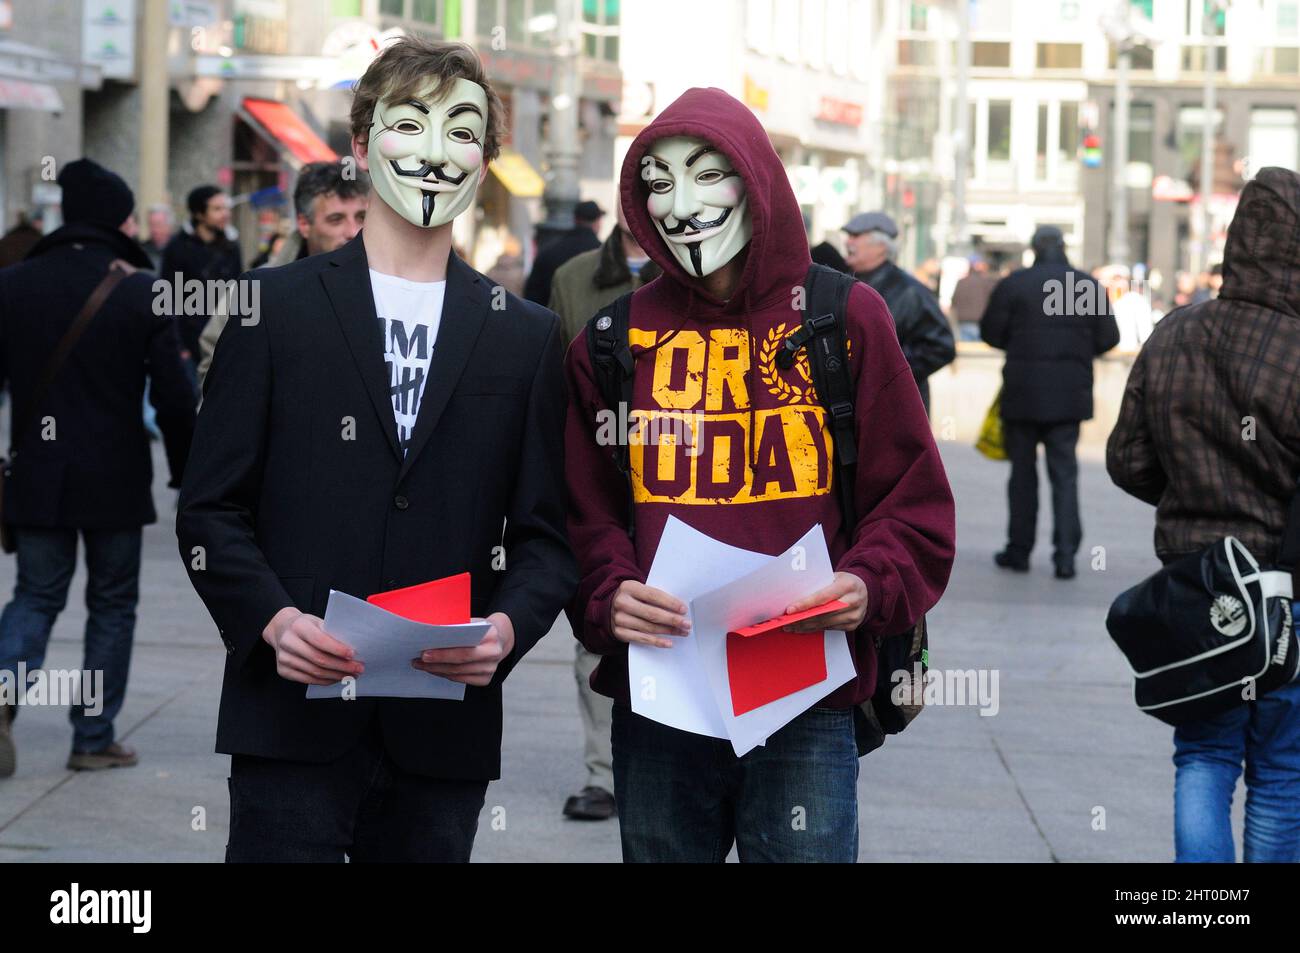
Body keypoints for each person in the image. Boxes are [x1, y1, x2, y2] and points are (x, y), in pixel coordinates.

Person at [176, 37, 575, 863]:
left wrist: (505, 628)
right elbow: (211, 508)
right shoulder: (272, 308)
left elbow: (547, 534)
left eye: (461, 132)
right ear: (360, 147)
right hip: (290, 721)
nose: (435, 153)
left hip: (442, 732)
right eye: (410, 124)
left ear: (487, 160)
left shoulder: (527, 336)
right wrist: (272, 619)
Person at [564, 87, 956, 862]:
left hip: (804, 694)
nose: (681, 203)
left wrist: (868, 583)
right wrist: (608, 590)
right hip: (662, 703)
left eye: (710, 174)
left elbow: (912, 501)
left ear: (758, 181)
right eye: (658, 182)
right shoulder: (612, 340)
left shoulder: (844, 317)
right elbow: (578, 510)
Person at [1107, 167, 1300, 863]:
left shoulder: (1175, 333)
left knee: (1204, 757)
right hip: (1288, 593)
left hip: (1200, 589)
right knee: (1281, 771)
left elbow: (1128, 459)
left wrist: (1192, 494)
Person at [0, 159, 195, 778]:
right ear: (118, 218)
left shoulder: (13, 284)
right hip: (114, 478)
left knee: (35, 594)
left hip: (35, 473)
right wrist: (186, 473)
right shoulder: (140, 290)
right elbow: (174, 395)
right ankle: (92, 737)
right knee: (112, 603)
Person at [547, 202, 660, 821]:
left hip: (686, 481)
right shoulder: (575, 276)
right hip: (604, 476)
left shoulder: (706, 274)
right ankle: (604, 775)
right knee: (601, 627)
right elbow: (556, 376)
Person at [980, 225, 1119, 579]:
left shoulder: (1015, 283)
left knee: (1022, 475)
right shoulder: (1085, 285)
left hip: (1022, 393)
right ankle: (1066, 556)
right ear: (1062, 247)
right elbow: (1109, 337)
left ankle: (1019, 550)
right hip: (1069, 397)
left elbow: (990, 332)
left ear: (1033, 248)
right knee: (1065, 475)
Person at [197, 160, 369, 388]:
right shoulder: (256, 291)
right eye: (336, 219)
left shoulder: (391, 285)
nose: (352, 232)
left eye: (361, 217)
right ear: (304, 224)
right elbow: (215, 375)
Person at [842, 212, 955, 413]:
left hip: (896, 408)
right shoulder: (844, 283)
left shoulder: (910, 291)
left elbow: (941, 346)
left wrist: (887, 371)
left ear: (881, 247)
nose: (848, 242)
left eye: (855, 236)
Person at [160, 185, 242, 382]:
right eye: (217, 209)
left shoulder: (232, 246)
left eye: (226, 208)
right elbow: (166, 299)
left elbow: (240, 293)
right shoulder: (177, 247)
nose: (225, 214)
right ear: (199, 214)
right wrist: (178, 347)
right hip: (187, 346)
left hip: (223, 342)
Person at [523, 199, 604, 306]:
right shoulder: (604, 254)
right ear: (597, 222)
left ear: (575, 219)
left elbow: (532, 296)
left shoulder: (550, 251)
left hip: (553, 317)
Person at [950, 254, 997, 341]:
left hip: (964, 322)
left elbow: (954, 301)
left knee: (967, 351)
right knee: (981, 352)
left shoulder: (962, 282)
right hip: (981, 322)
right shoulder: (987, 282)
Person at [139, 204, 175, 271]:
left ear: (169, 226)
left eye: (158, 224)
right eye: (151, 224)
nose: (154, 229)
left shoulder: (180, 250)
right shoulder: (142, 251)